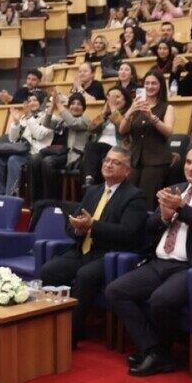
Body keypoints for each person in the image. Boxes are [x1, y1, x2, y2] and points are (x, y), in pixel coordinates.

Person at [105, 144, 192, 376]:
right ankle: (154, 349)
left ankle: (159, 352)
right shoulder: (175, 188)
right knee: (116, 291)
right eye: (188, 162)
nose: (190, 168)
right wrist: (164, 218)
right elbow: (148, 227)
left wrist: (183, 209)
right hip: (160, 261)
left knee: (161, 300)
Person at [40, 146, 147, 343]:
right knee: (49, 270)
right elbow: (74, 221)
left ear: (127, 171)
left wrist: (92, 225)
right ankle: (48, 323)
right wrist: (78, 229)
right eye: (107, 160)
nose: (109, 165)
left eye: (116, 162)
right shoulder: (93, 191)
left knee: (85, 275)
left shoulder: (135, 196)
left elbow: (128, 232)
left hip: (108, 254)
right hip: (82, 249)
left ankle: (71, 333)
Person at [120, 71, 175, 208]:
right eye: (147, 83)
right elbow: (122, 130)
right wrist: (130, 111)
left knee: (146, 198)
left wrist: (151, 117)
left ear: (160, 86)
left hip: (156, 160)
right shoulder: (136, 106)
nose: (150, 86)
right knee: (127, 195)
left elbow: (168, 132)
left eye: (154, 83)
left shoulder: (167, 107)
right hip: (135, 159)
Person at [30, 93, 91, 201]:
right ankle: (36, 199)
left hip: (70, 154)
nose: (75, 106)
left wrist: (59, 104)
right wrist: (52, 105)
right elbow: (46, 123)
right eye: (72, 103)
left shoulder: (85, 120)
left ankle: (50, 200)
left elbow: (72, 123)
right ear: (69, 106)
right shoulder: (61, 120)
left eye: (79, 104)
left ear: (83, 108)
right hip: (54, 152)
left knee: (47, 162)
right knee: (34, 159)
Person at [0, 95, 53, 197]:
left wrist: (29, 117)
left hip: (34, 153)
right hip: (20, 150)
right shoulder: (24, 117)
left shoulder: (48, 117)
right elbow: (13, 139)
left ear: (42, 102)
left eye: (35, 100)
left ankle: (11, 196)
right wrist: (15, 123)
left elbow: (39, 134)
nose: (32, 103)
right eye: (29, 101)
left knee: (13, 160)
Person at [82, 86, 130, 185]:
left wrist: (113, 108)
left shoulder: (129, 114)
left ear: (125, 99)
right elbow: (91, 128)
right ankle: (89, 180)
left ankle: (91, 181)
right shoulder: (105, 116)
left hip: (117, 149)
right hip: (98, 151)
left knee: (93, 147)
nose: (113, 100)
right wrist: (103, 113)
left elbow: (123, 128)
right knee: (91, 148)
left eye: (117, 97)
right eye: (110, 98)